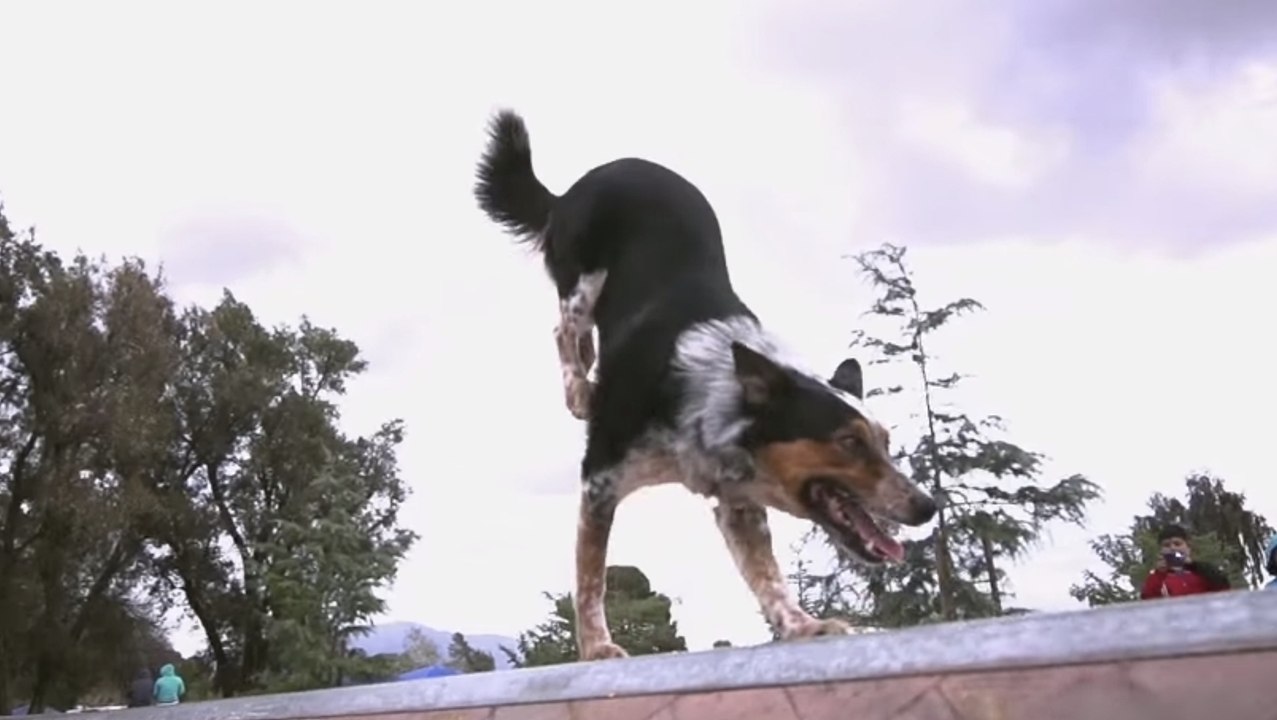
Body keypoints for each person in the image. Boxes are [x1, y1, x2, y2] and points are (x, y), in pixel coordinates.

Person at [1139, 524, 1230, 599]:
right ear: (1161, 551)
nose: (1173, 548)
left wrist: (1193, 565)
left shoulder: (1204, 571)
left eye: (1177, 544)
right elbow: (1149, 601)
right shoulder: (1157, 577)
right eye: (1166, 545)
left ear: (1188, 548)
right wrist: (1159, 574)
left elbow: (1224, 589)